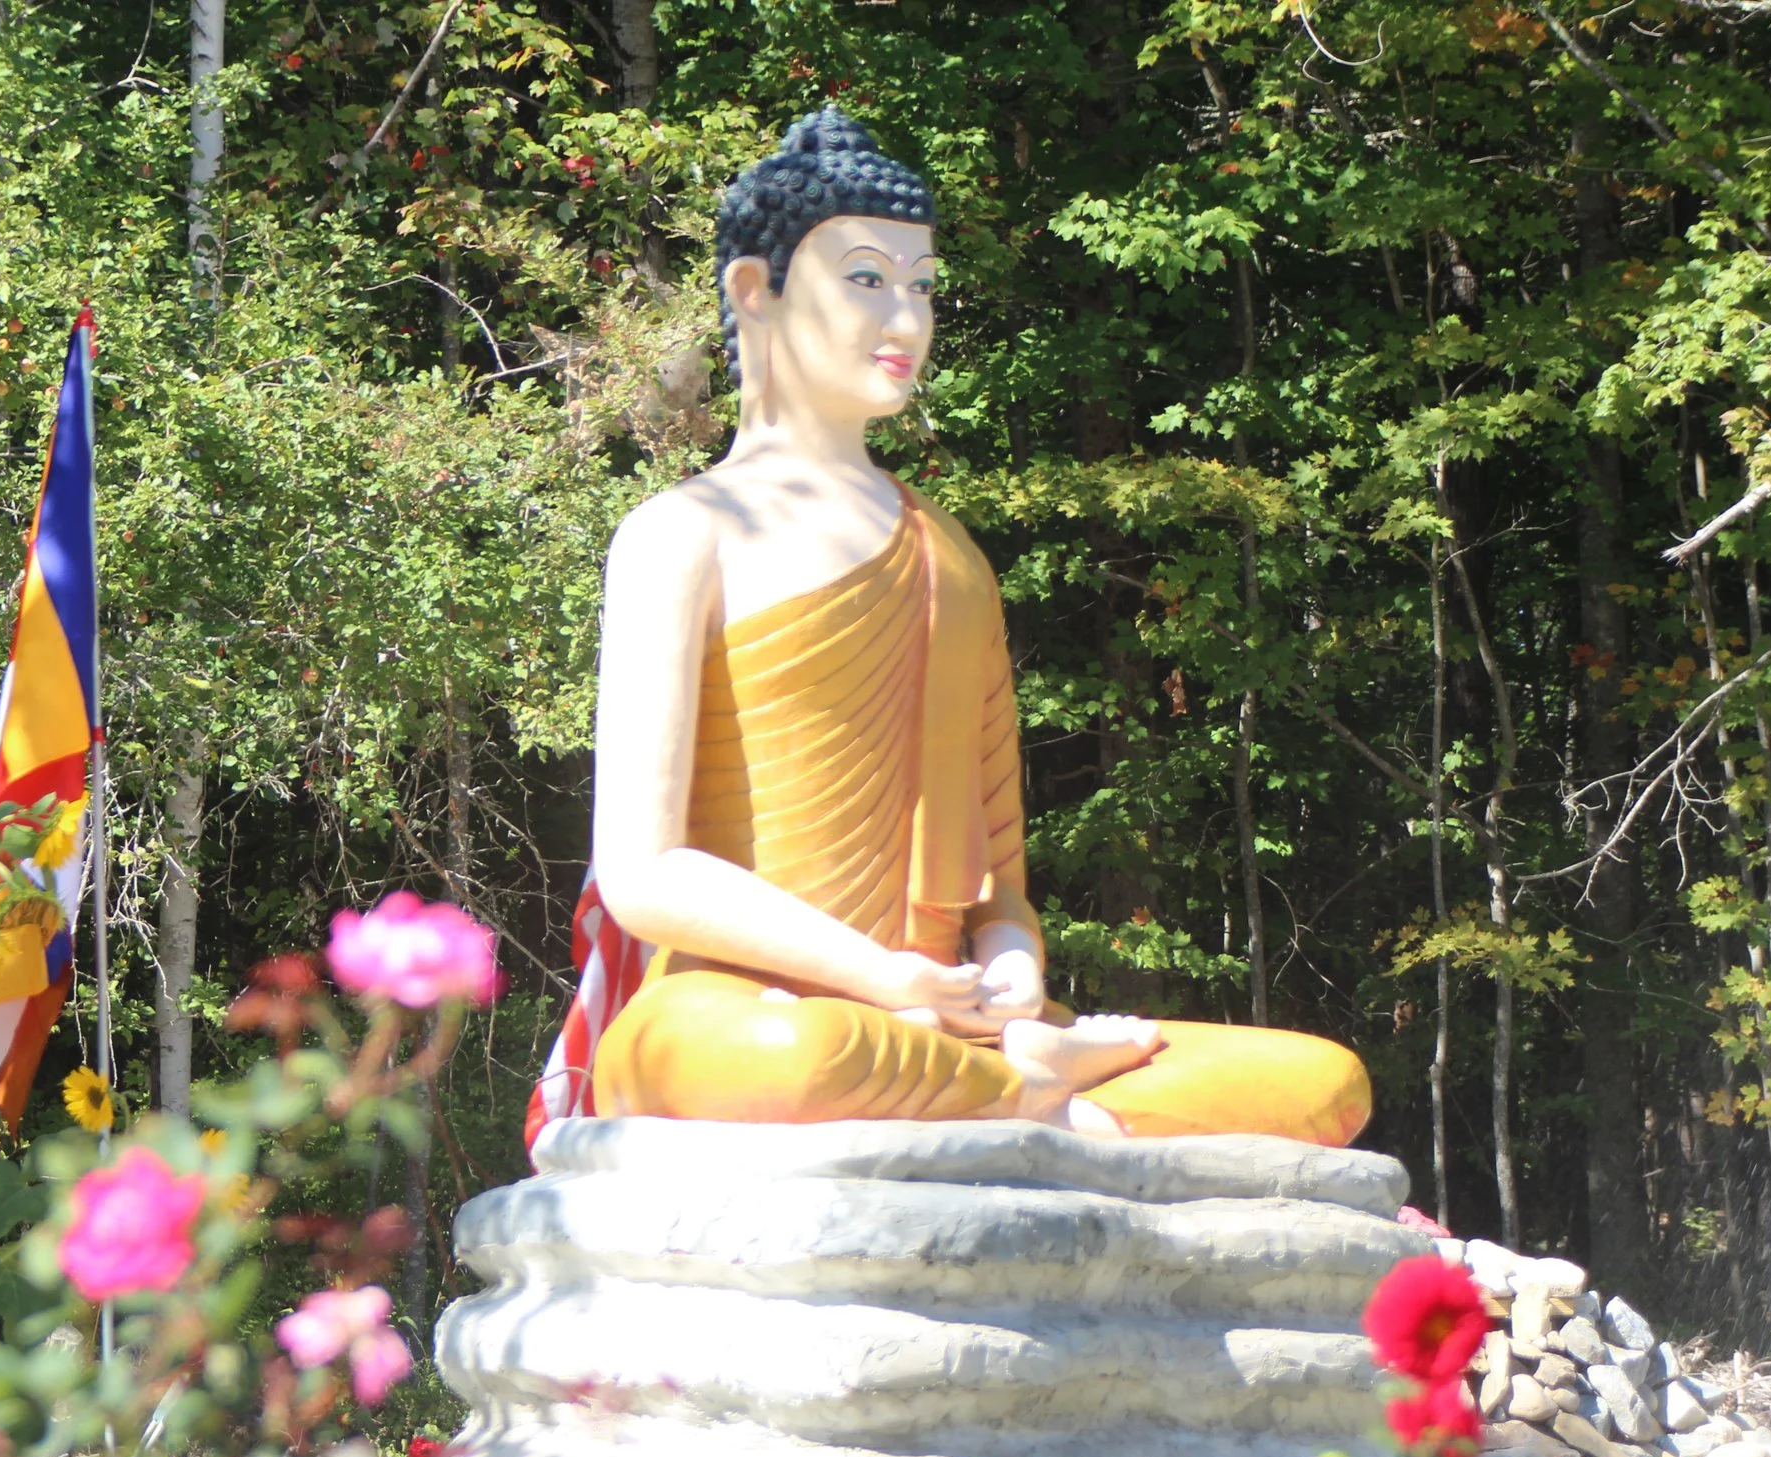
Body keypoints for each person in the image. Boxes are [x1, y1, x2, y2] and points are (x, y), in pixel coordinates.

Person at [582, 107, 1369, 1143]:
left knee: (1321, 1082)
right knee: (781, 1058)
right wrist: (874, 975)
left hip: (959, 1023)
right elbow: (644, 874)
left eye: (922, 287)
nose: (905, 319)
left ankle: (1020, 1080)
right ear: (753, 291)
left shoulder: (949, 556)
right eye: (866, 279)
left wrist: (1007, 968)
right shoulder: (683, 533)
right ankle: (1038, 1096)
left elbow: (994, 874)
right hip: (746, 1004)